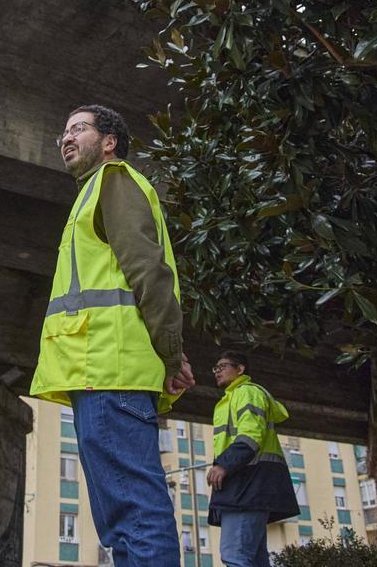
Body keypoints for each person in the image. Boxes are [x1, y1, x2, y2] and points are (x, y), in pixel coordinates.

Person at [31, 104, 194, 567]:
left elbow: (149, 273)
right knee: (120, 524)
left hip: (109, 372)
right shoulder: (91, 195)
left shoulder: (114, 180)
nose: (66, 137)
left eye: (78, 129)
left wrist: (170, 354)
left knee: (136, 516)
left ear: (109, 142)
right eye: (63, 131)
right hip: (97, 373)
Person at [206, 351, 300, 567]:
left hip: (247, 486)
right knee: (254, 560)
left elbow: (250, 435)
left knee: (235, 556)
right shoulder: (229, 400)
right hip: (248, 486)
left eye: (223, 366)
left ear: (240, 369)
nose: (217, 371)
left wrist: (224, 465)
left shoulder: (247, 392)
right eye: (215, 368)